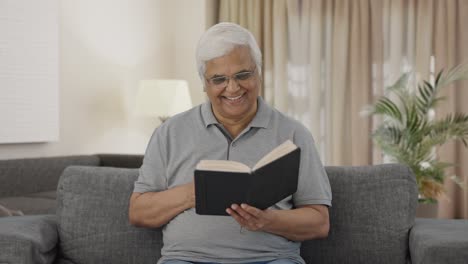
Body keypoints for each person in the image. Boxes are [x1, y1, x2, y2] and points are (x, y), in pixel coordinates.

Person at [129, 22, 332, 264]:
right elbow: (138, 212)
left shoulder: (295, 134)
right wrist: (195, 193)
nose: (233, 88)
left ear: (258, 71)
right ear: (204, 83)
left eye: (242, 75)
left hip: (271, 260)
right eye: (219, 79)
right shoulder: (168, 133)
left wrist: (267, 221)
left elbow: (319, 223)